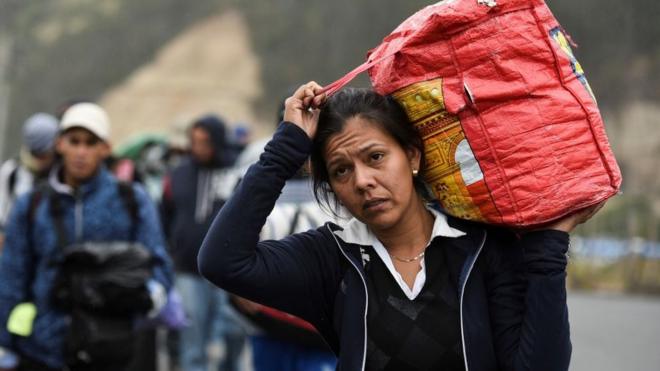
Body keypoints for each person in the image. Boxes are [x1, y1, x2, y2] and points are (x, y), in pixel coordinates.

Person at [198, 83, 605, 371]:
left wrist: (550, 248)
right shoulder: (332, 258)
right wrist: (286, 148)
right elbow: (222, 261)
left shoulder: (482, 247)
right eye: (341, 171)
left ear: (411, 156)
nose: (361, 181)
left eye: (375, 157)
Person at [0, 102, 173, 371]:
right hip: (42, 349)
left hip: (111, 347)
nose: (81, 151)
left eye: (91, 142)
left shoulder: (132, 201)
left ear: (105, 148)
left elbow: (158, 264)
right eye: (74, 141)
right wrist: (8, 340)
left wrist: (145, 302)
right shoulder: (31, 204)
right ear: (60, 144)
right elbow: (12, 275)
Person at [161, 114, 246, 371]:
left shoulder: (237, 172)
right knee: (192, 340)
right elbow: (165, 212)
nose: (199, 148)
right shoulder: (179, 173)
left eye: (205, 142)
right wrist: (171, 247)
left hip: (228, 273)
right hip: (188, 270)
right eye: (194, 141)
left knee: (232, 333)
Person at [0, 113, 59, 254]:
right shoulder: (11, 172)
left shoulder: (64, 173)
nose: (42, 159)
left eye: (46, 153)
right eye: (38, 154)